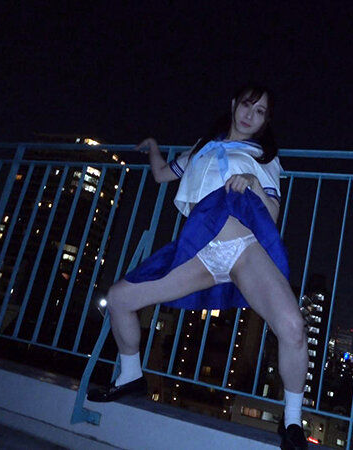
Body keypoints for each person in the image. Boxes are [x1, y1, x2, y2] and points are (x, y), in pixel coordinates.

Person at [88, 83, 309, 449]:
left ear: (266, 121)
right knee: (119, 298)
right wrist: (154, 147)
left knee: (293, 327)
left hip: (244, 250)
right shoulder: (202, 148)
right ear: (234, 103)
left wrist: (252, 182)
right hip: (200, 255)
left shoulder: (262, 157)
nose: (250, 115)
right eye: (247, 105)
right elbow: (162, 175)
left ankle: (292, 422)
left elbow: (271, 214)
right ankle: (130, 376)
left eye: (260, 112)